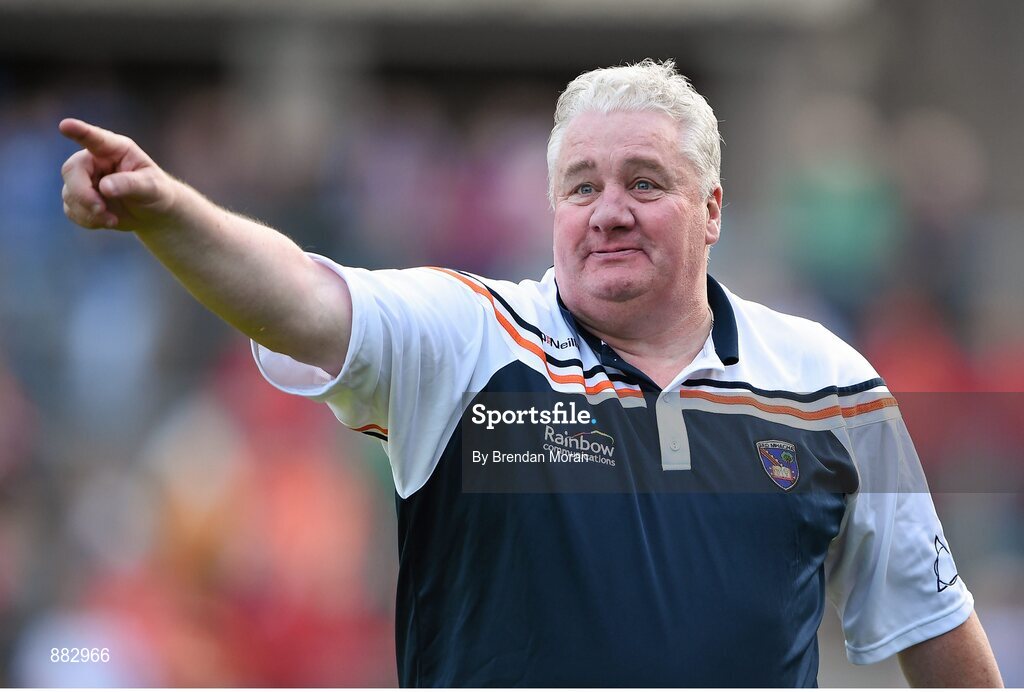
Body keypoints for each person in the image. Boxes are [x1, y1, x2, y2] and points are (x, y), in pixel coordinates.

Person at [60, 59, 1003, 687]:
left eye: (644, 183)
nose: (608, 212)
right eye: (581, 186)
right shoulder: (471, 342)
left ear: (711, 208)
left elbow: (928, 622)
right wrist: (168, 211)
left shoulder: (828, 384)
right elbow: (302, 300)